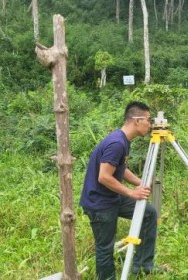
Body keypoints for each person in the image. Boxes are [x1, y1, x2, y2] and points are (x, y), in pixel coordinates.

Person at [80, 101, 158, 279]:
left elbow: (120, 169)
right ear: (136, 121)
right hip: (99, 203)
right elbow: (104, 176)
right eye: (148, 120)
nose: (150, 124)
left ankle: (142, 266)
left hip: (112, 197)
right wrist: (132, 193)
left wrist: (140, 182)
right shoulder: (117, 143)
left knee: (148, 214)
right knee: (105, 247)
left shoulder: (123, 140)